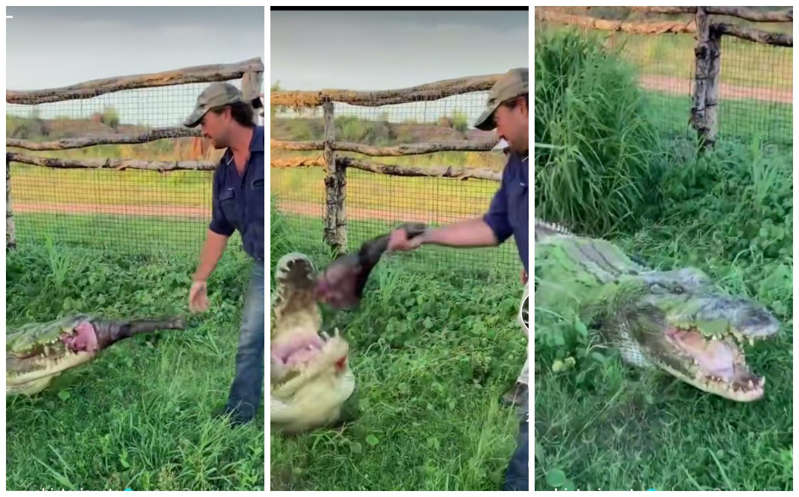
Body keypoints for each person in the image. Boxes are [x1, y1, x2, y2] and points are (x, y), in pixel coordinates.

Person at [386, 67, 529, 491]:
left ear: (521, 106)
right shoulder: (515, 166)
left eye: (498, 118)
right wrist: (426, 236)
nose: (495, 131)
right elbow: (493, 227)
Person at [183, 82, 265, 426]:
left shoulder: (269, 151)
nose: (202, 130)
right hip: (263, 265)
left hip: (294, 261)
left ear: (227, 113)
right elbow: (219, 229)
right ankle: (240, 414)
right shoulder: (224, 171)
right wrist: (200, 279)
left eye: (205, 121)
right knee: (250, 340)